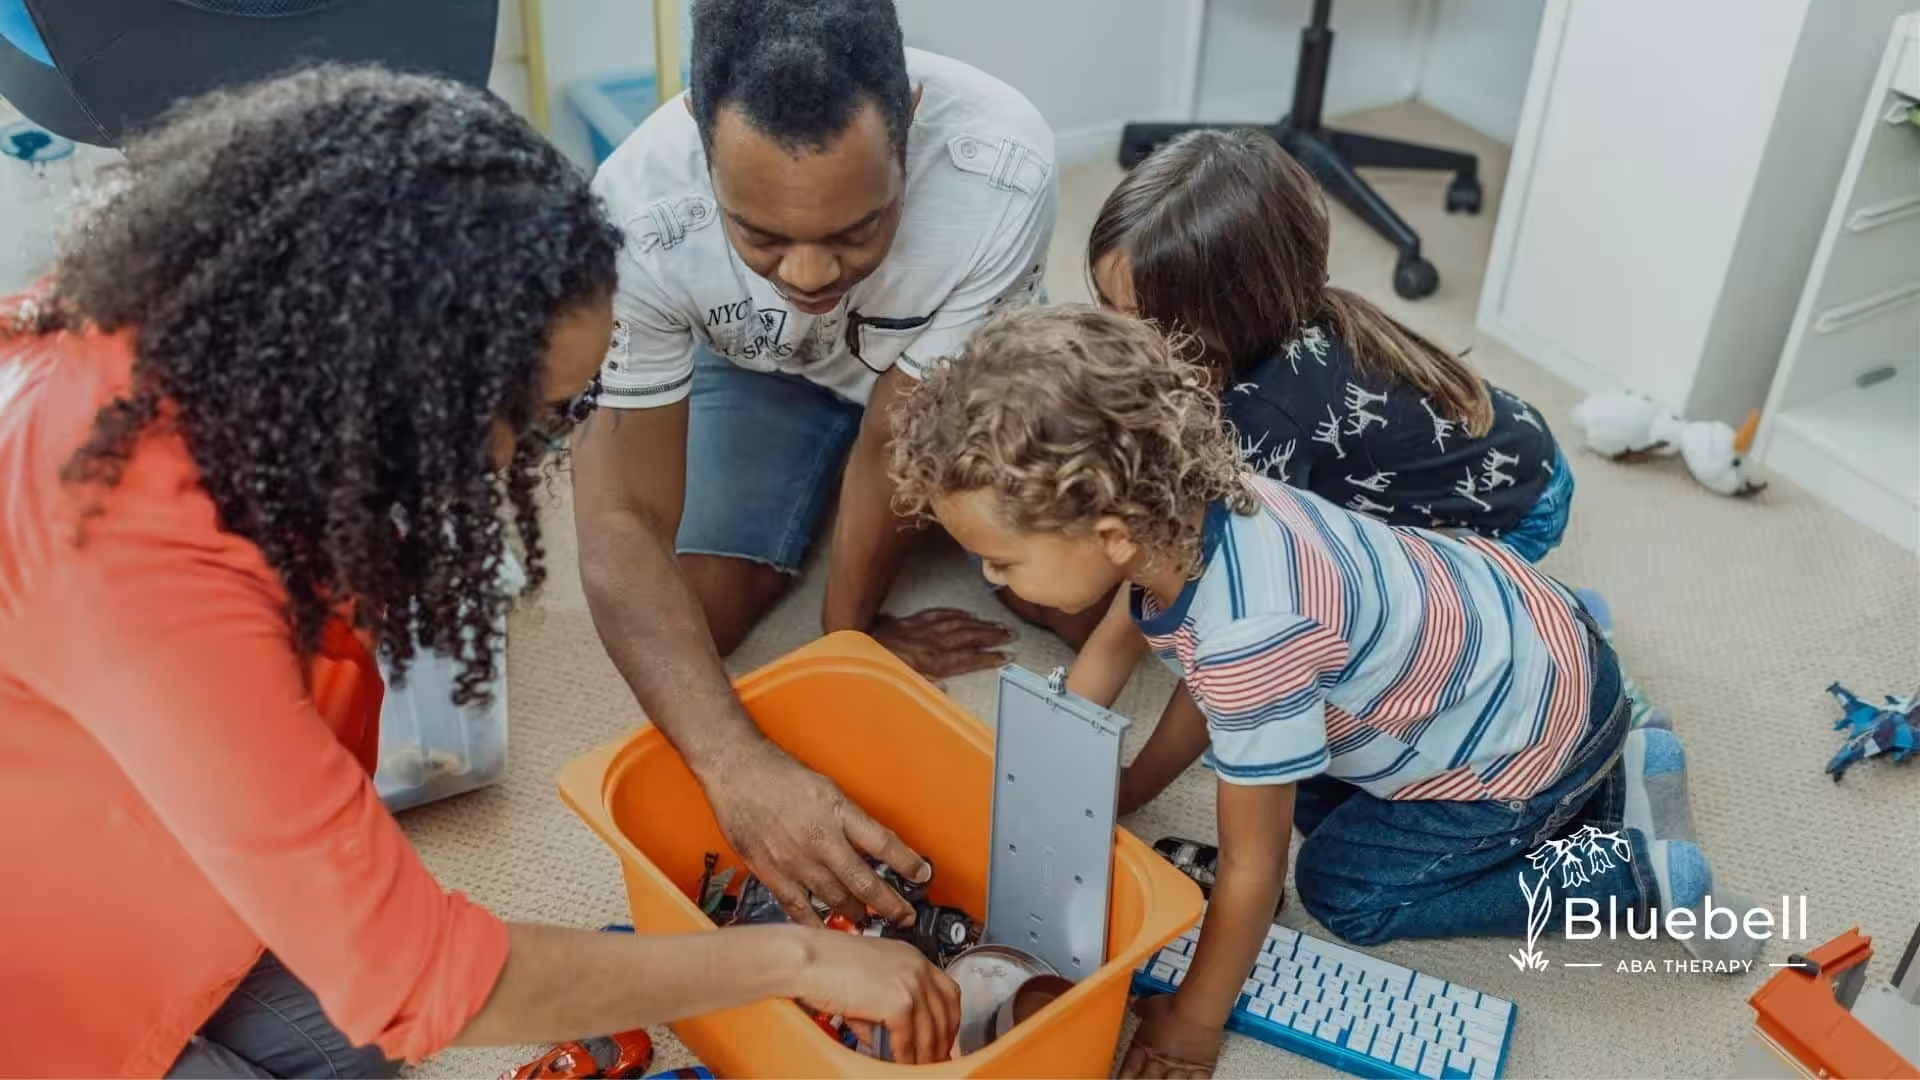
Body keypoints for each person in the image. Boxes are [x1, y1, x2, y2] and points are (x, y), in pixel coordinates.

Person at [0, 67, 958, 1079]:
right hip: (41, 945)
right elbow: (427, 983)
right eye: (533, 419)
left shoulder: (209, 331)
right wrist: (790, 957)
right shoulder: (141, 569)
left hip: (149, 840)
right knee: (407, 1005)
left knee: (360, 1049)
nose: (524, 462)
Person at [888, 305, 1756, 1079]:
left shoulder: (1248, 638)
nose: (989, 576)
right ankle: (1619, 774)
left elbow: (1255, 873)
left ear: (1110, 536)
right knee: (1288, 788)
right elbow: (1138, 654)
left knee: (1342, 884)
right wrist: (1109, 789)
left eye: (1000, 561)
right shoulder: (1197, 512)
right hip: (1540, 647)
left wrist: (1193, 1019)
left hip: (1524, 741)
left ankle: (1626, 873)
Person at [572, 0, 1057, 926]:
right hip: (756, 375)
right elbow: (616, 518)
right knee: (690, 624)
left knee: (1074, 596)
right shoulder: (633, 212)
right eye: (759, 235)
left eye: (854, 233)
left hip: (934, 388)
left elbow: (896, 431)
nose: (806, 276)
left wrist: (846, 643)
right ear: (697, 135)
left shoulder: (1005, 169)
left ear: (908, 123)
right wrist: (736, 767)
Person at [1057, 128, 1575, 708]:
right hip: (1516, 454)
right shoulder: (1268, 328)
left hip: (1515, 510)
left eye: (1142, 319)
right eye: (1105, 304)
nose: (1115, 335)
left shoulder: (1264, 419)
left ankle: (1539, 623)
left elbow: (1238, 594)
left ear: (1235, 309)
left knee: (1364, 649)